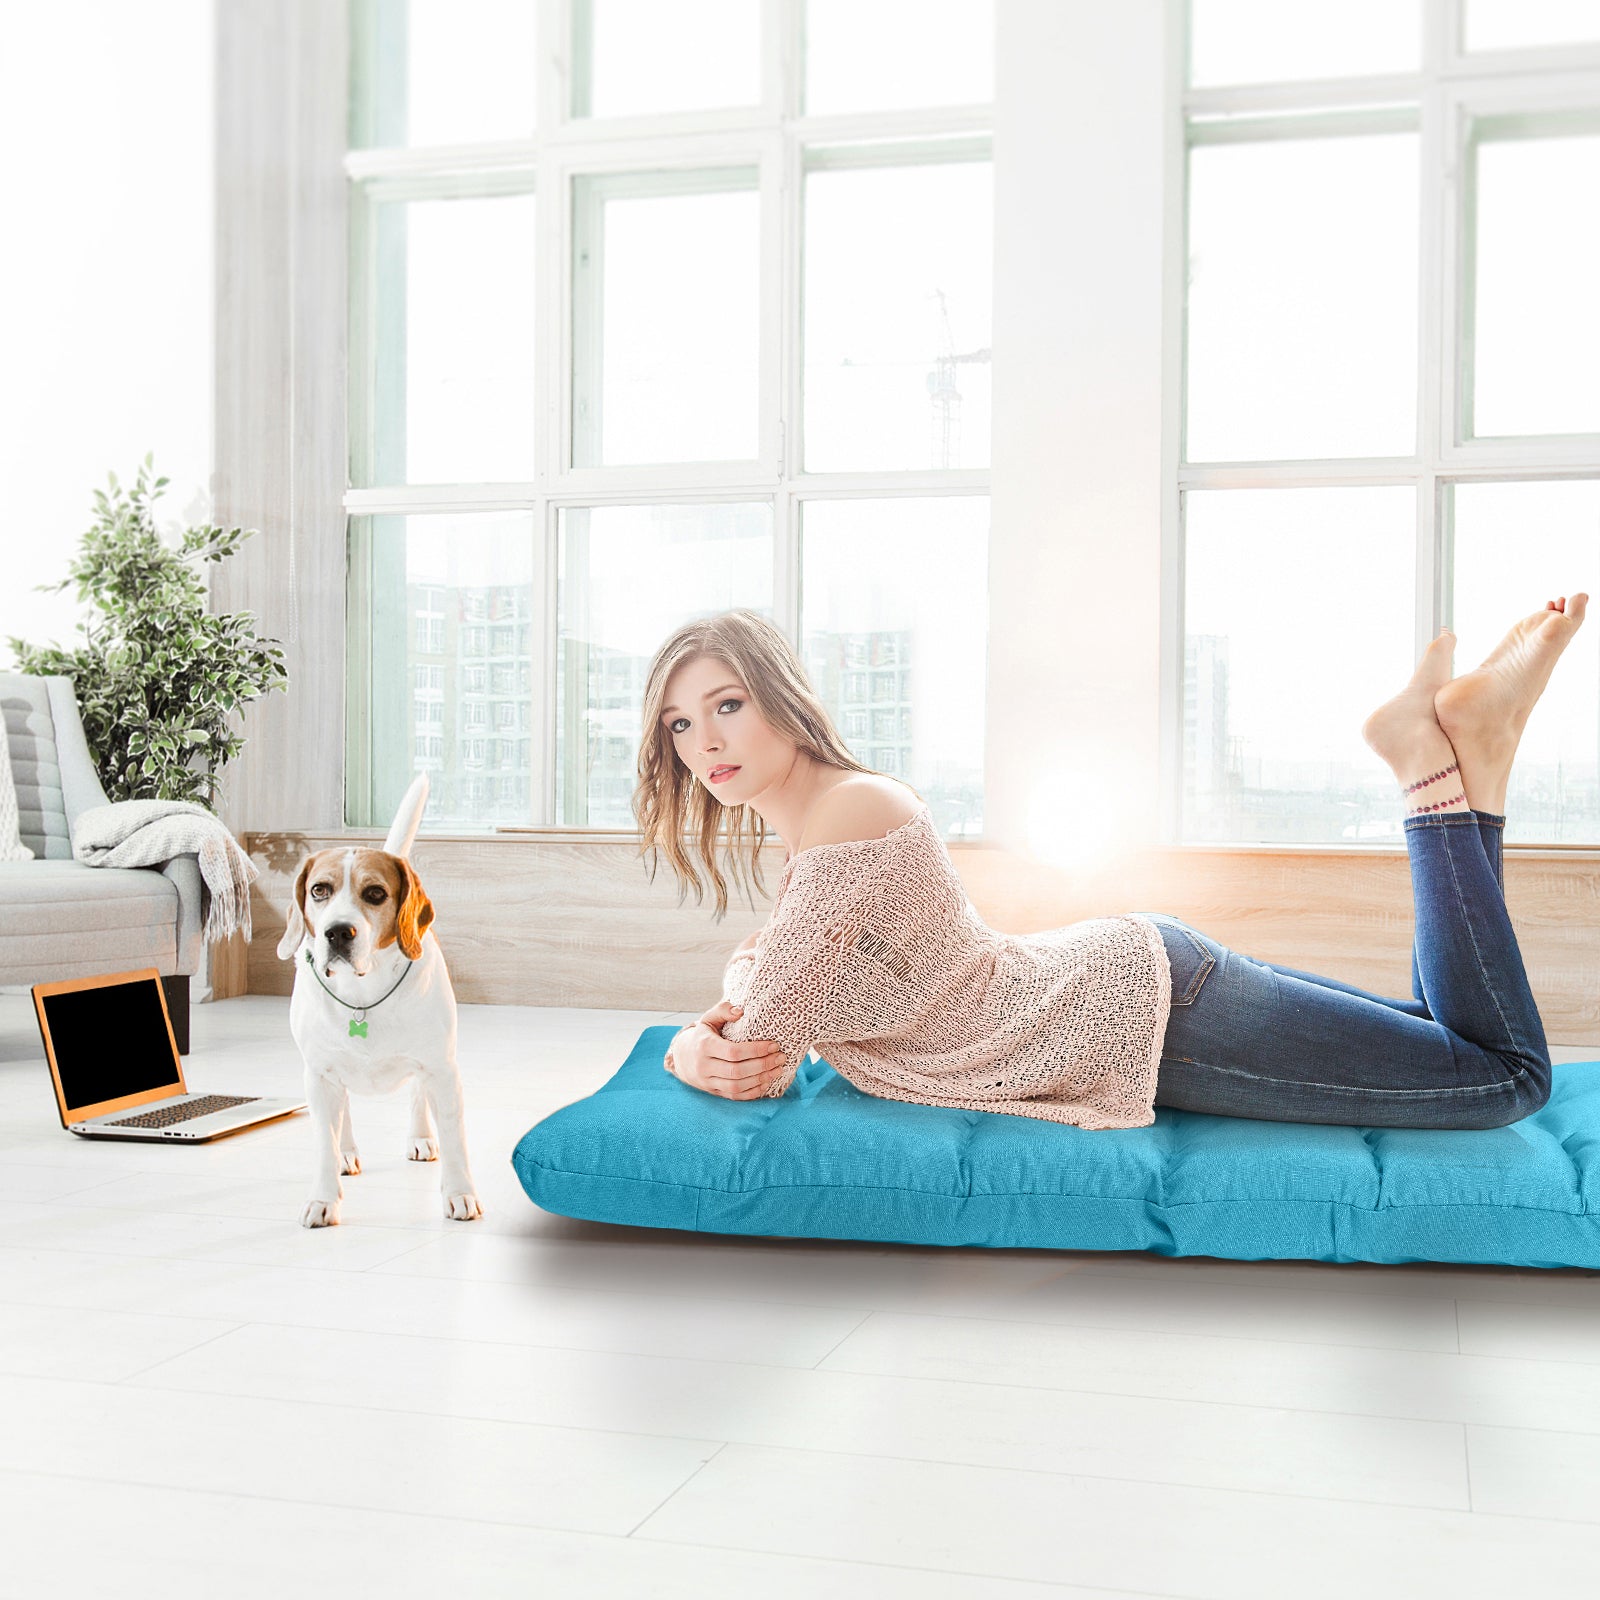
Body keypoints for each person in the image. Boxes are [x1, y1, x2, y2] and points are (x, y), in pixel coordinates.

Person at [637, 598, 1587, 1131]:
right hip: (1138, 991)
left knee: (1505, 1078)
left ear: (778, 699)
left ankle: (1431, 766)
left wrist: (688, 1044)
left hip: (1135, 1021)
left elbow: (761, 1044)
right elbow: (773, 964)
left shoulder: (848, 815)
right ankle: (1477, 760)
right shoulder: (824, 823)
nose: (704, 740)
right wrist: (739, 993)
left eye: (725, 705)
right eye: (681, 723)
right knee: (1445, 1033)